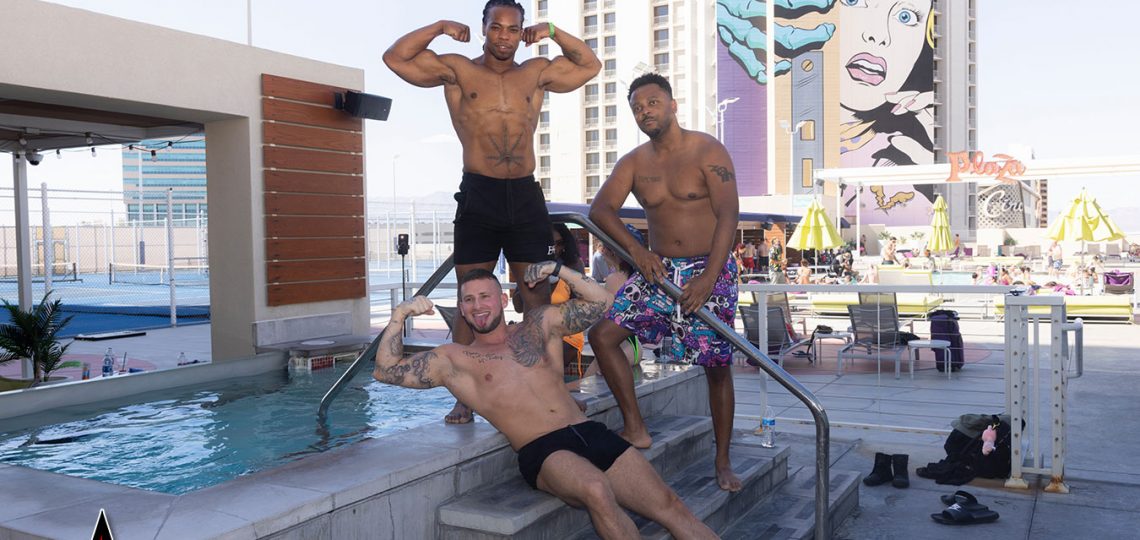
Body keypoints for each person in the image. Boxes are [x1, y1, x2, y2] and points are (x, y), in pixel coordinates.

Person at [373, 265, 717, 539]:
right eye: (469, 300)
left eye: (485, 296)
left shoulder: (537, 326)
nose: (478, 306)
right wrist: (400, 315)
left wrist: (559, 270)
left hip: (586, 431)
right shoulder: (455, 360)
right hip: (542, 449)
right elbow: (384, 371)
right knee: (596, 489)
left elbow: (603, 302)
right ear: (461, 309)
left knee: (671, 505)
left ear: (502, 300)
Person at [384, 0, 601, 423]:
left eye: (512, 28)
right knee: (470, 297)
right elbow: (396, 58)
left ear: (522, 32)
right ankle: (464, 396)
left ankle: (552, 387)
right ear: (484, 28)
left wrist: (552, 31)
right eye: (496, 27)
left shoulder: (535, 73)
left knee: (537, 298)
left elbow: (589, 65)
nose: (504, 36)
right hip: (479, 193)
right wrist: (440, 26)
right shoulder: (458, 70)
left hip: (524, 195)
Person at [587, 74, 743, 492]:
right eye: (637, 108)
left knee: (717, 366)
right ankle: (635, 427)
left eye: (652, 103)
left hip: (709, 267)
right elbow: (600, 210)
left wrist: (710, 276)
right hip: (657, 271)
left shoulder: (708, 150)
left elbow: (729, 214)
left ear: (673, 105)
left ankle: (723, 460)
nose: (645, 112)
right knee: (602, 336)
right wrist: (637, 251)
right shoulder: (635, 163)